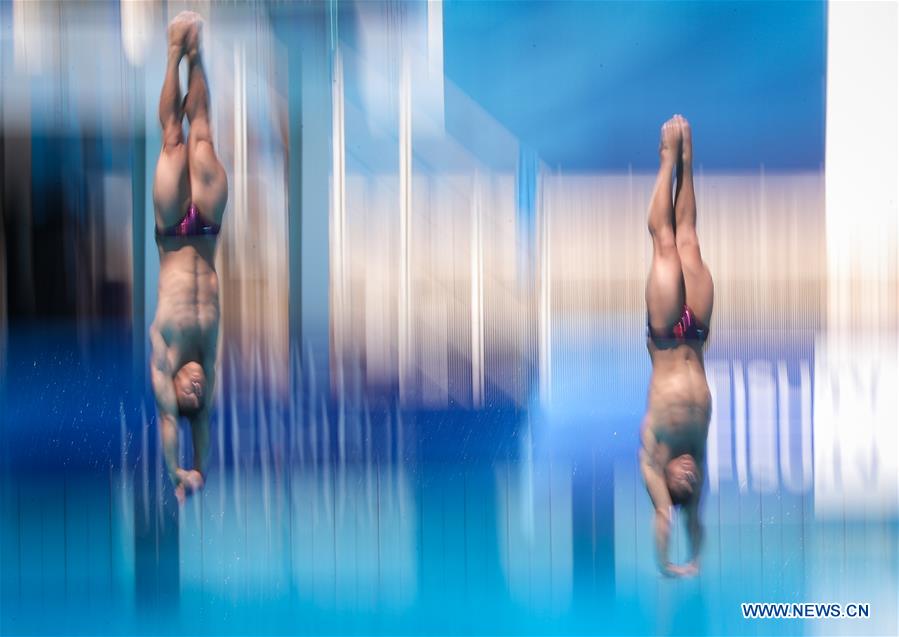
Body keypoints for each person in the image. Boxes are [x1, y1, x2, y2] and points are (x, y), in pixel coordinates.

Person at [150, 11, 227, 504]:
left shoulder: (166, 358)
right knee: (202, 137)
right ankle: (196, 53)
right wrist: (201, 467)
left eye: (186, 395)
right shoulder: (210, 366)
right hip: (209, 232)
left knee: (174, 141)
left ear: (174, 388)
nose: (195, 390)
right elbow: (201, 427)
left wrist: (176, 471)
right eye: (199, 396)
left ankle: (174, 51)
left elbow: (171, 425)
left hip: (172, 235)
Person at [640, 115, 713, 577]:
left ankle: (666, 160)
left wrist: (669, 562)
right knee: (689, 238)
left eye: (679, 480)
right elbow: (696, 520)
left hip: (667, 335)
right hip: (698, 332)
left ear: (667, 482)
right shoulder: (698, 464)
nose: (687, 473)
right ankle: (688, 159)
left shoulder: (655, 458)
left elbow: (665, 516)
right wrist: (700, 557)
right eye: (692, 480)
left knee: (664, 243)